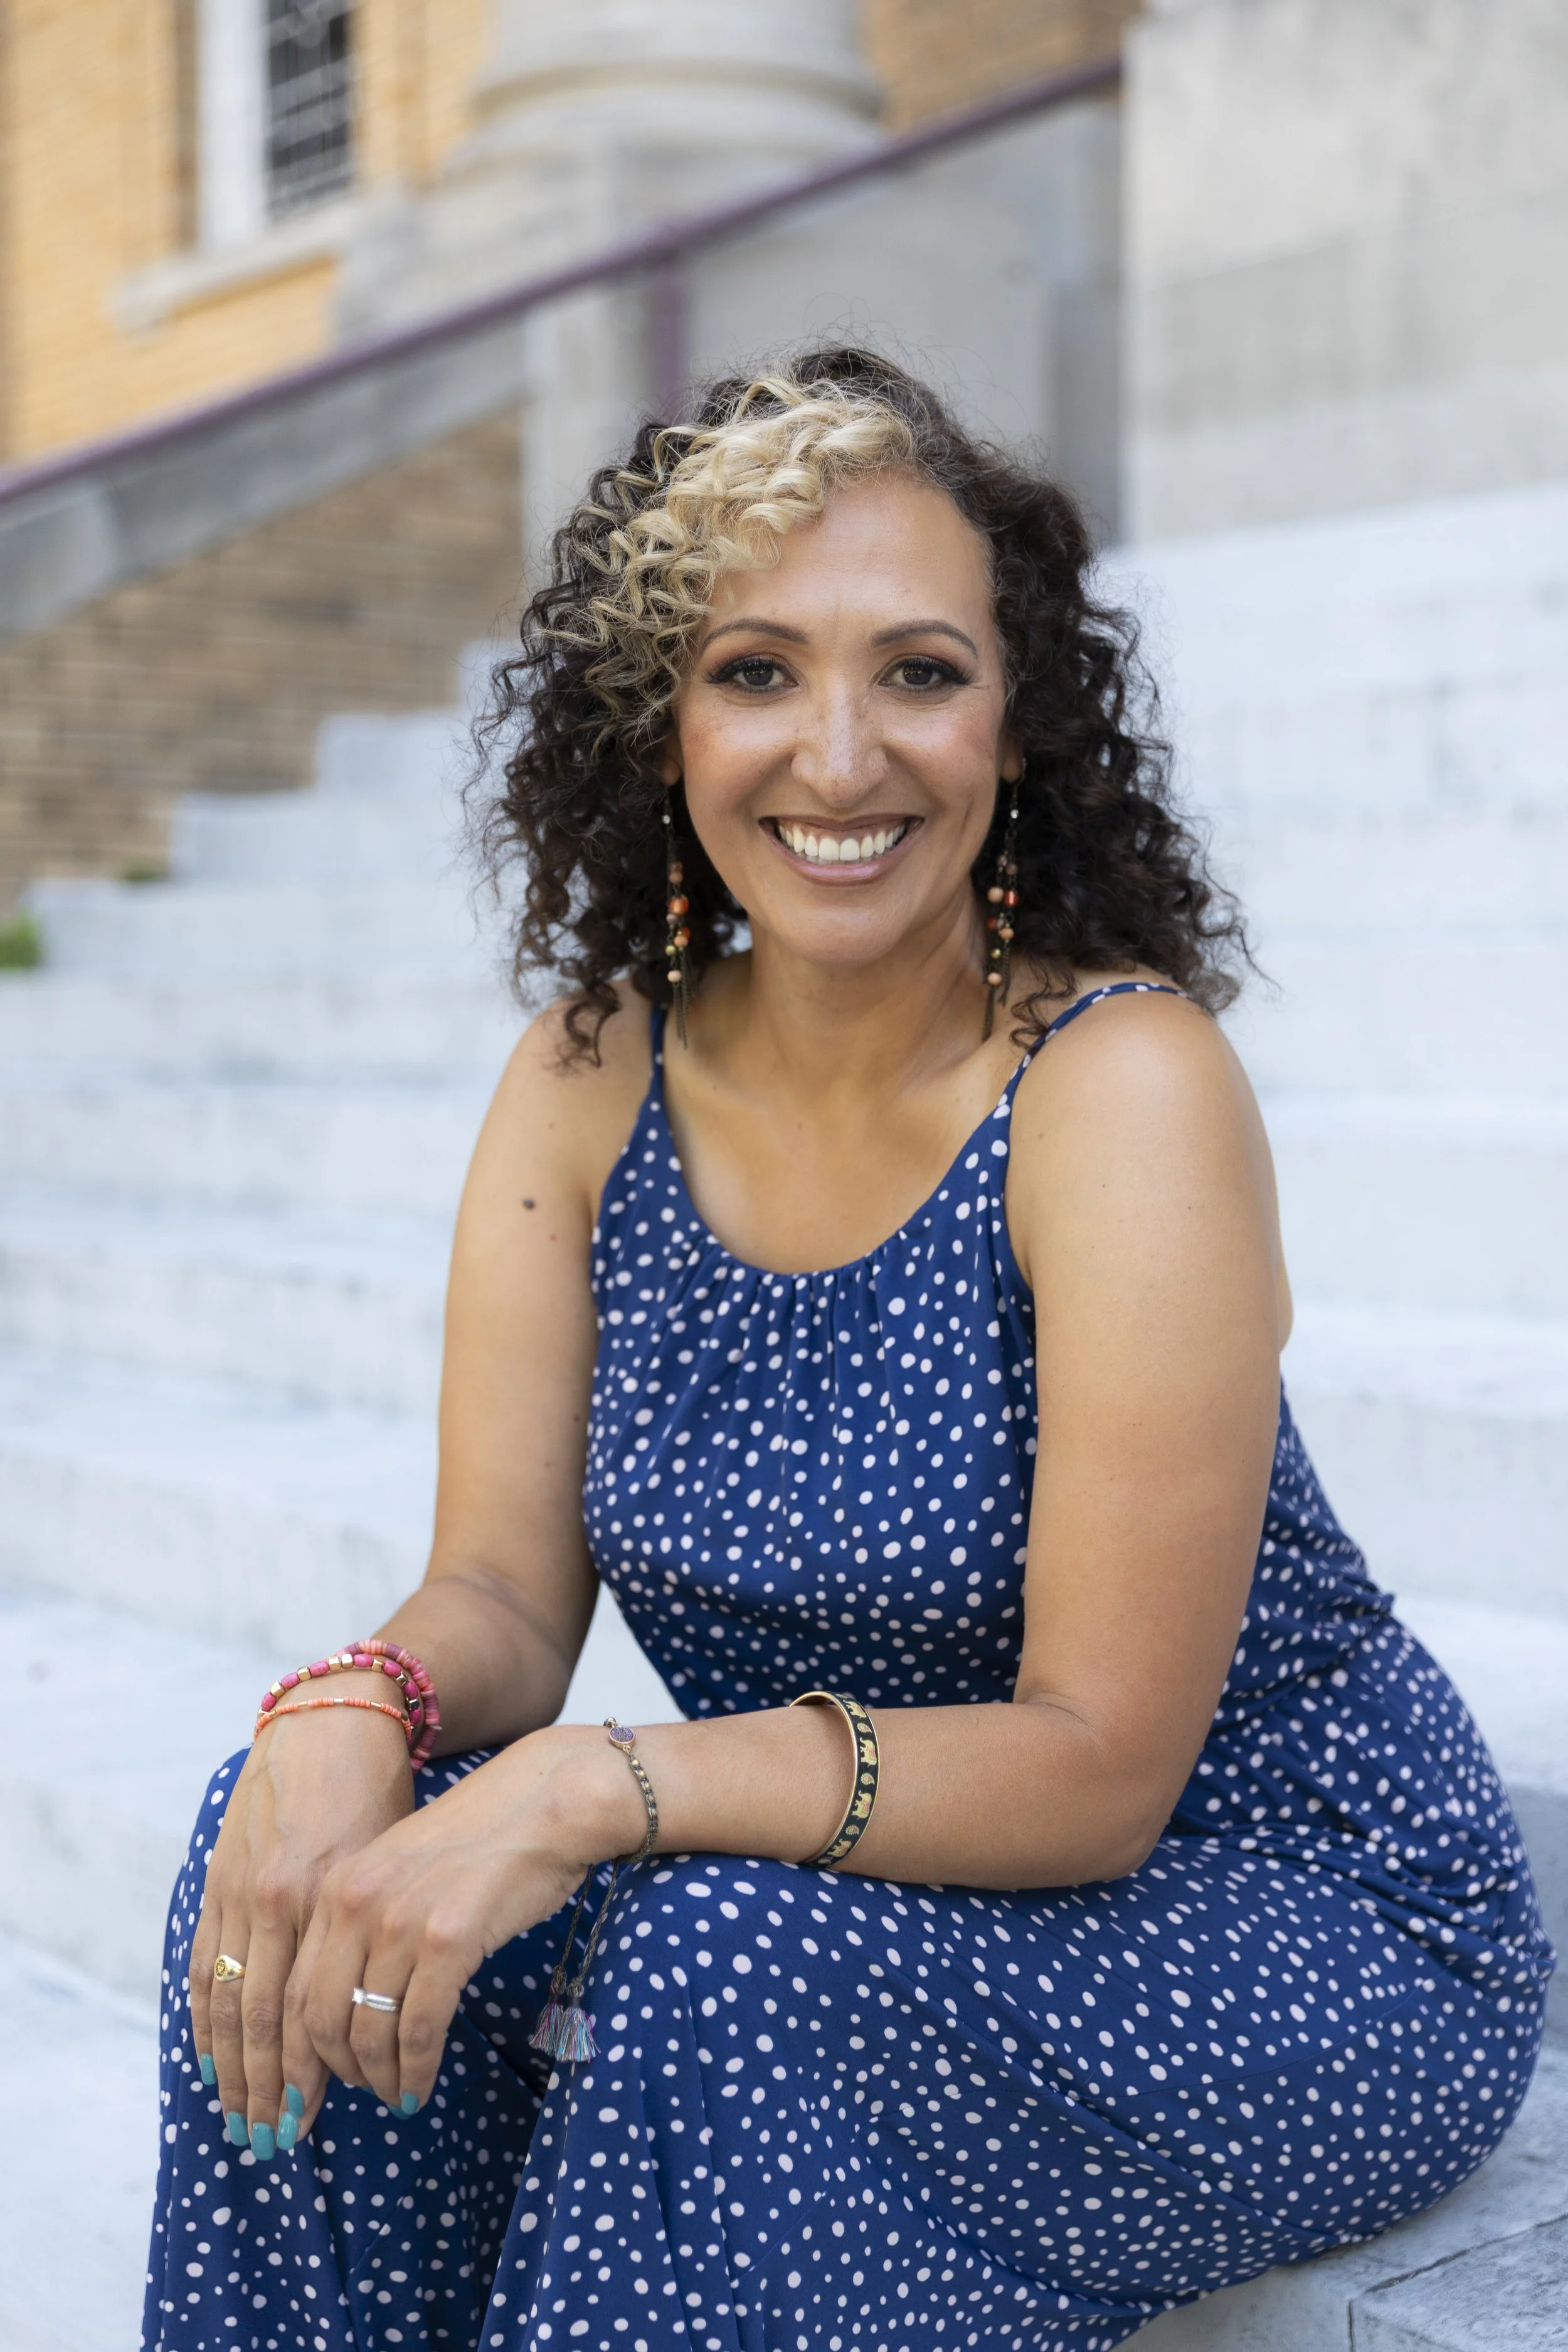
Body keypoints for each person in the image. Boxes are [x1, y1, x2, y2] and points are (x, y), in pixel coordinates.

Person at [144, 351, 1551, 2352]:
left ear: (1014, 717)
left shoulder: (1113, 1084)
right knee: (290, 1842)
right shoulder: (585, 1077)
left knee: (709, 1959)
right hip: (841, 1879)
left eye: (915, 669)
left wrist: (588, 1788)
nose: (837, 756)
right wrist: (347, 1702)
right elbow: (498, 1594)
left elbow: (1096, 1768)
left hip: (1274, 1917)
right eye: (753, 672)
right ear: (658, 721)